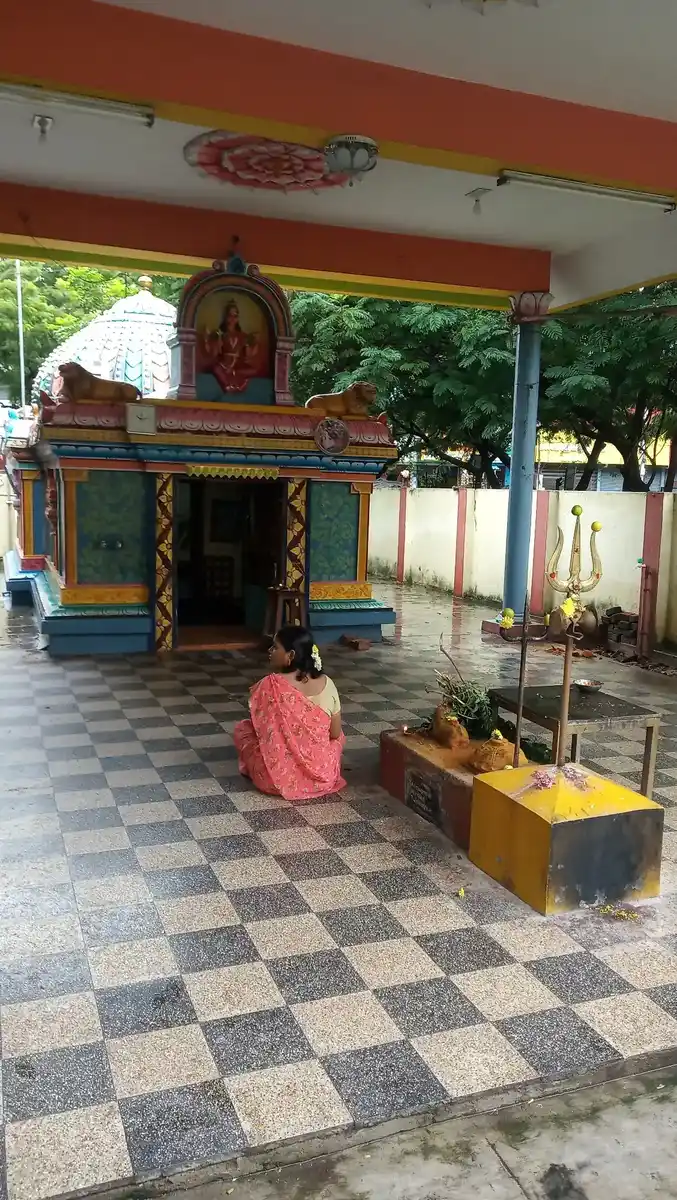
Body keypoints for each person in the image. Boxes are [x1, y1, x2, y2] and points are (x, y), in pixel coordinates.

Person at [233, 626, 345, 802]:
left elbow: (261, 732)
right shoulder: (328, 683)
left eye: (275, 647)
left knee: (243, 729)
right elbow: (335, 733)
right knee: (338, 736)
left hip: (273, 780)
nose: (270, 651)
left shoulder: (268, 686)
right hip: (322, 778)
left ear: (291, 655)